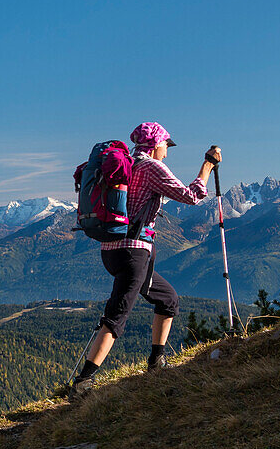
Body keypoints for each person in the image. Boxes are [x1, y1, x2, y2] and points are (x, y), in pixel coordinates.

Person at [69, 121, 222, 394]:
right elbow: (191, 196)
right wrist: (207, 166)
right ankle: (84, 382)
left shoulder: (127, 164)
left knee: (168, 299)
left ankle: (157, 361)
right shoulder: (151, 166)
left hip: (113, 250)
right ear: (155, 145)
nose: (167, 152)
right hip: (134, 252)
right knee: (117, 316)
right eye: (165, 145)